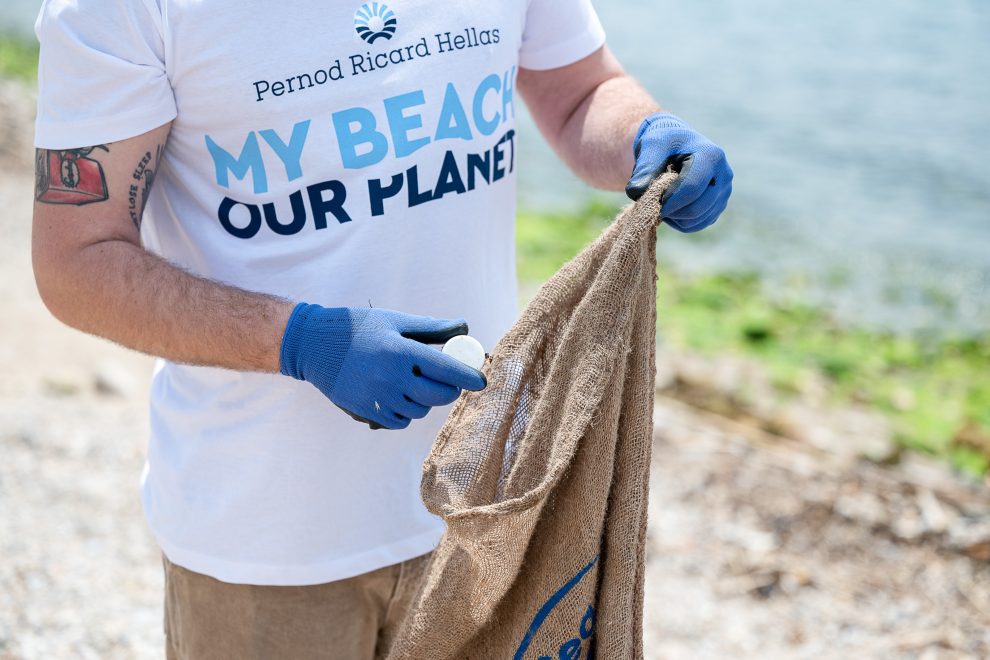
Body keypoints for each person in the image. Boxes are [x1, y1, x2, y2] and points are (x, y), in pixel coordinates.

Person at [31, 0, 732, 657]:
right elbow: (77, 261)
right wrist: (302, 342)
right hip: (265, 536)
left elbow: (579, 92)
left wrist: (643, 133)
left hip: (485, 505)